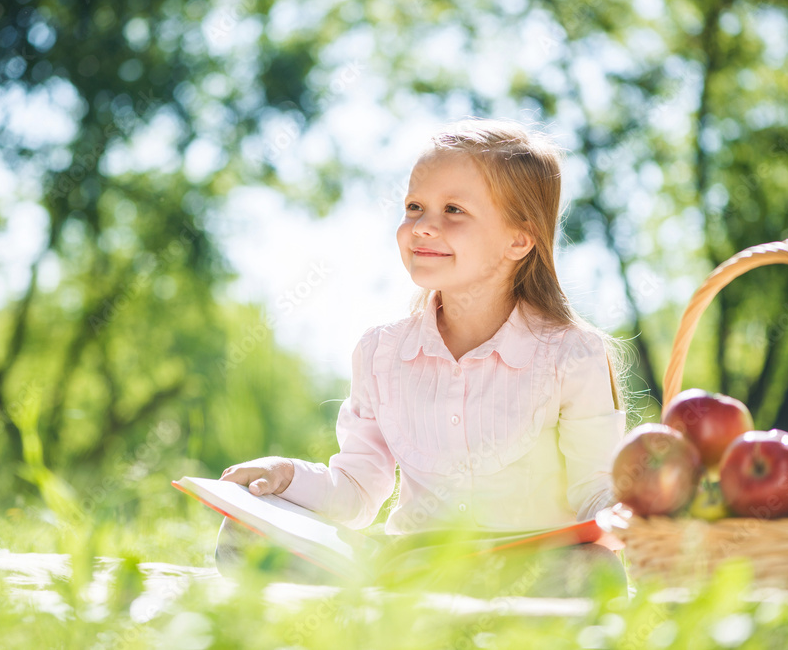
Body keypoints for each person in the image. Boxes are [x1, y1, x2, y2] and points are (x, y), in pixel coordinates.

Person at [216, 118, 629, 596]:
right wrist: (285, 475)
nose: (423, 226)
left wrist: (632, 513)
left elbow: (595, 491)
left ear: (519, 239)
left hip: (530, 571)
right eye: (414, 207)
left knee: (595, 571)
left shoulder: (572, 354)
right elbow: (355, 491)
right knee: (243, 535)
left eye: (453, 209)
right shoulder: (380, 353)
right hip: (411, 569)